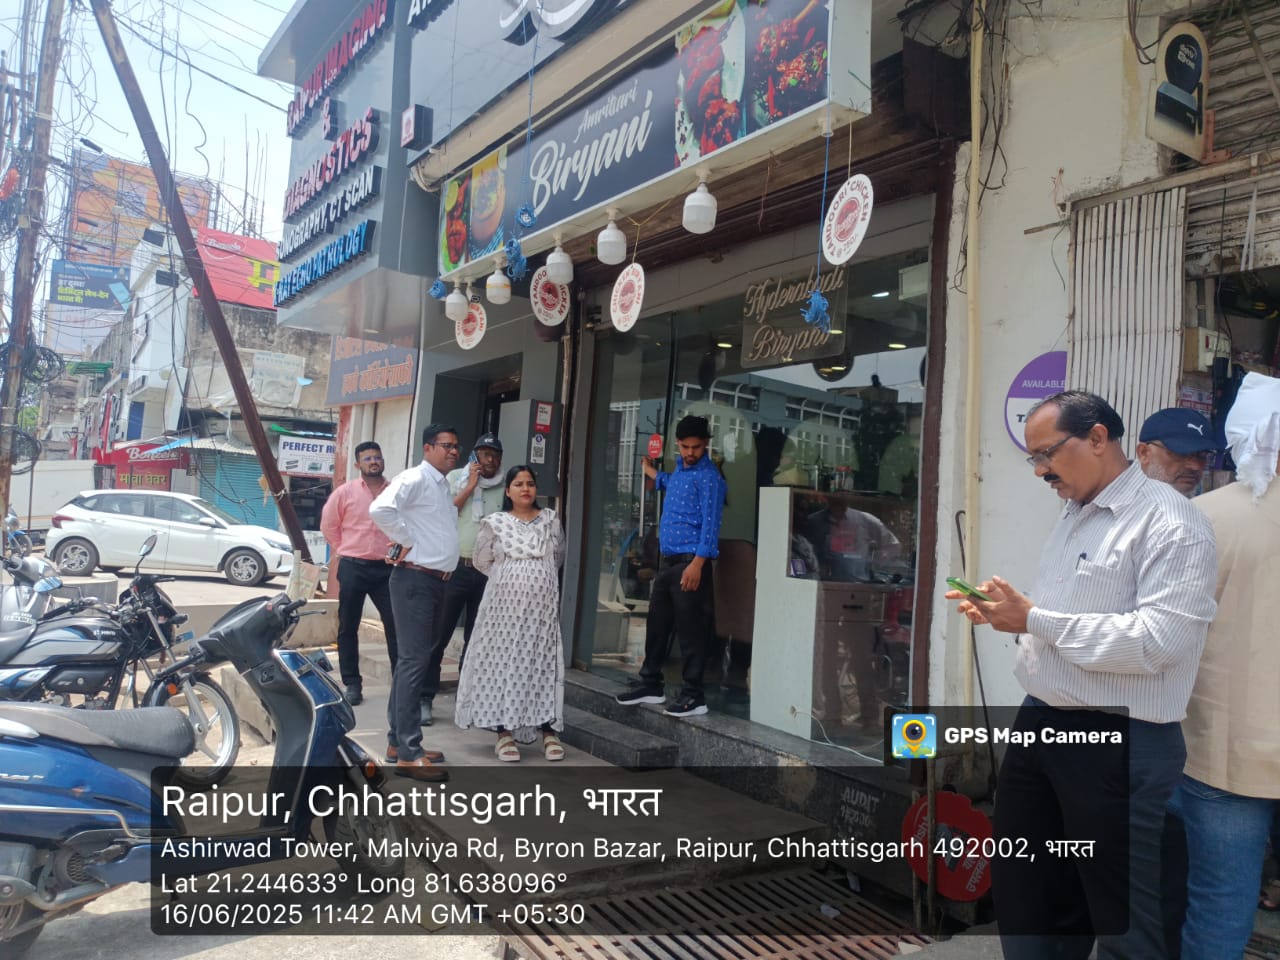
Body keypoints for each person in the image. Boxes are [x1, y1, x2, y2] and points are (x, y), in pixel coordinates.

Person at [945, 390, 1217, 960]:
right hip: (1041, 722)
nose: (1040, 471)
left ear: (1097, 438)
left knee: (1123, 916)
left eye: (1047, 454)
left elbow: (1158, 643)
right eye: (1033, 459)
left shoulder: (1173, 524)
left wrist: (1034, 619)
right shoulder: (1074, 511)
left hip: (1120, 738)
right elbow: (1071, 616)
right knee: (1032, 894)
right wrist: (1012, 617)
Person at [1175, 372, 1280, 960]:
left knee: (1219, 905)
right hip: (1224, 754)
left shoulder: (1205, 516)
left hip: (1223, 753)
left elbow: (1167, 633)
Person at [615, 415, 726, 718]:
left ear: (706, 445)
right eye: (686, 447)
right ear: (677, 444)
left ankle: (694, 695)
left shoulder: (710, 478)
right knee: (657, 625)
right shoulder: (680, 471)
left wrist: (698, 563)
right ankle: (651, 684)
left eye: (697, 447)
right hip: (668, 563)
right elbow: (667, 481)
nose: (691, 453)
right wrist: (650, 470)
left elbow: (711, 525)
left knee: (691, 632)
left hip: (690, 563)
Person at [454, 465, 566, 762]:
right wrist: (513, 580)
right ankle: (503, 734)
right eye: (518, 484)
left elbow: (558, 557)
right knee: (502, 665)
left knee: (542, 666)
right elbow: (482, 560)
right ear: (508, 491)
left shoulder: (550, 520)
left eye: (530, 483)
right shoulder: (495, 523)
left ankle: (548, 731)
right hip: (502, 613)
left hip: (541, 613)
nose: (525, 488)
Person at [368, 424, 460, 783]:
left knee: (414, 662)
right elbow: (381, 509)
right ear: (427, 448)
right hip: (415, 580)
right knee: (413, 663)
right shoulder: (415, 478)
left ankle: (398, 743)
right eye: (446, 445)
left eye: (456, 446)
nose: (453, 451)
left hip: (434, 581)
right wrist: (404, 539)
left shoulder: (440, 484)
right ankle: (408, 752)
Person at [420, 433, 504, 726]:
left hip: (488, 572)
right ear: (474, 456)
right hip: (455, 568)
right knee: (438, 636)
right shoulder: (455, 478)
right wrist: (470, 485)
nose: (490, 460)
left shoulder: (506, 485)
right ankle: (424, 697)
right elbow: (445, 512)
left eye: (495, 455)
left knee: (477, 639)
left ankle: (467, 699)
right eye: (484, 454)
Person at [319, 441, 398, 705]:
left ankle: (401, 684)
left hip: (386, 569)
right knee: (348, 625)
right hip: (353, 566)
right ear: (358, 464)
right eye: (367, 458)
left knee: (395, 625)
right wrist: (344, 549)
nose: (373, 461)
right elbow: (329, 525)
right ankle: (352, 683)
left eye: (377, 457)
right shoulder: (345, 493)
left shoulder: (395, 492)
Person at [1136, 407, 1217, 497]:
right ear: (1144, 453)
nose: (1196, 466)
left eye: (1202, 455)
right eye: (1181, 453)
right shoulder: (1125, 502)